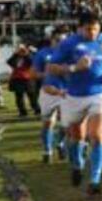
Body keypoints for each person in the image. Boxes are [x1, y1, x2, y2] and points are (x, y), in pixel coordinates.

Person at [47, 13, 102, 195]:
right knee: (76, 137)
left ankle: (95, 180)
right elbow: (51, 68)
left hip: (99, 94)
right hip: (74, 97)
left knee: (97, 135)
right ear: (79, 28)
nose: (93, 32)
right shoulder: (68, 44)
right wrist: (74, 68)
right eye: (88, 29)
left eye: (96, 28)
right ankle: (77, 164)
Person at [32, 30, 69, 163]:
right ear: (52, 40)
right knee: (48, 123)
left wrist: (65, 71)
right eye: (58, 39)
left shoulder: (70, 53)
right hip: (48, 92)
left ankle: (60, 143)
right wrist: (47, 74)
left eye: (63, 40)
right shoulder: (42, 53)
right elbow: (33, 73)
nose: (61, 42)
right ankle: (47, 151)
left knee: (66, 123)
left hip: (66, 92)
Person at [6, 44, 39, 118]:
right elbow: (9, 62)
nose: (21, 52)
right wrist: (15, 53)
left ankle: (37, 110)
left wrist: (26, 53)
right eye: (20, 50)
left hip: (28, 79)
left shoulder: (29, 57)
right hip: (17, 79)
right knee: (19, 97)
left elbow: (32, 62)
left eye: (22, 50)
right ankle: (22, 112)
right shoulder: (16, 57)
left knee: (32, 96)